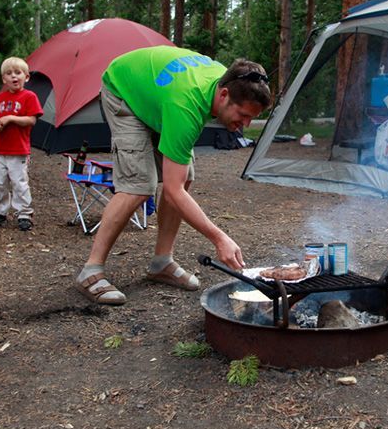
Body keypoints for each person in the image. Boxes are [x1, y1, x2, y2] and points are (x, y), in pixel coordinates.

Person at [75, 47, 272, 306]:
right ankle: (91, 271)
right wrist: (220, 238)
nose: (245, 125)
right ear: (223, 95)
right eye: (243, 115)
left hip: (158, 95)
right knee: (138, 186)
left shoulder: (230, 81)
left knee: (185, 175)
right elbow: (172, 190)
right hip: (124, 89)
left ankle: (161, 262)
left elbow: (176, 184)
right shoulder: (186, 105)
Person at [0, 57, 44, 231]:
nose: (14, 77)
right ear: (4, 79)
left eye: (18, 73)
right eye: (9, 74)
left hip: (18, 149)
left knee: (19, 182)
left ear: (26, 77)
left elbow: (31, 120)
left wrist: (9, 118)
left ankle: (24, 214)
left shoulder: (29, 97)